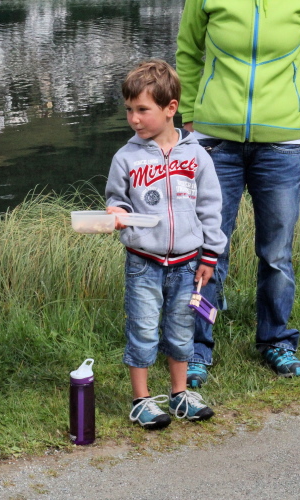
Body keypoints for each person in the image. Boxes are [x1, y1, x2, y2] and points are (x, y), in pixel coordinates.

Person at [175, 0, 300, 381]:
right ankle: (197, 346)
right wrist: (190, 115)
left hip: (282, 143)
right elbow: (187, 50)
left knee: (276, 252)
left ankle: (275, 340)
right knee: (207, 249)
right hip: (215, 142)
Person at [105, 59, 227, 428]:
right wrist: (116, 212)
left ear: (170, 108)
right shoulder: (126, 157)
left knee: (181, 328)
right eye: (129, 110)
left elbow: (210, 207)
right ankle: (141, 400)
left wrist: (210, 254)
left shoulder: (197, 155)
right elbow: (117, 199)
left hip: (189, 263)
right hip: (143, 261)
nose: (134, 119)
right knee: (143, 328)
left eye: (143, 110)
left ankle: (179, 394)